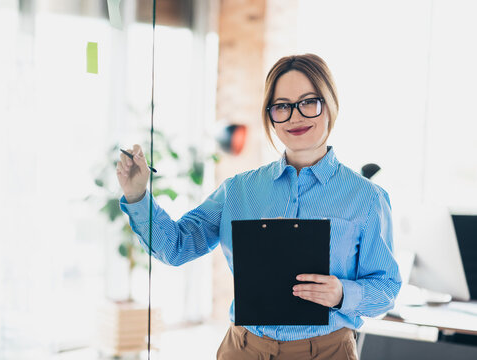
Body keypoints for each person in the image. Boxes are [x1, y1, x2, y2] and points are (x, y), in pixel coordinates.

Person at [116, 54, 402, 360]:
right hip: (243, 349)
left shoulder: (367, 198)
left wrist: (343, 293)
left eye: (308, 102)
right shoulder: (238, 190)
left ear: (330, 104)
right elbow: (176, 247)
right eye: (282, 106)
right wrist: (137, 197)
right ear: (270, 115)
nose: (295, 116)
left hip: (326, 352)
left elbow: (386, 288)